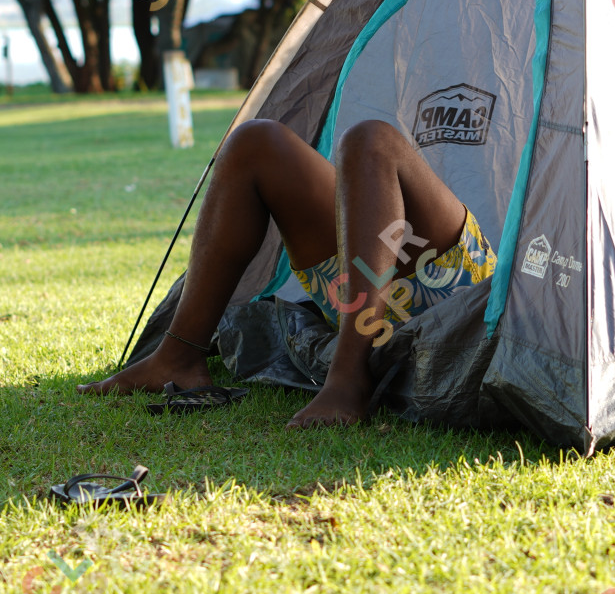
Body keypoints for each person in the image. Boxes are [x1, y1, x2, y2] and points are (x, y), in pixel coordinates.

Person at [79, 117, 498, 427]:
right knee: (254, 141)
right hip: (351, 297)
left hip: (456, 297)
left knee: (371, 140)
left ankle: (348, 376)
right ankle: (178, 356)